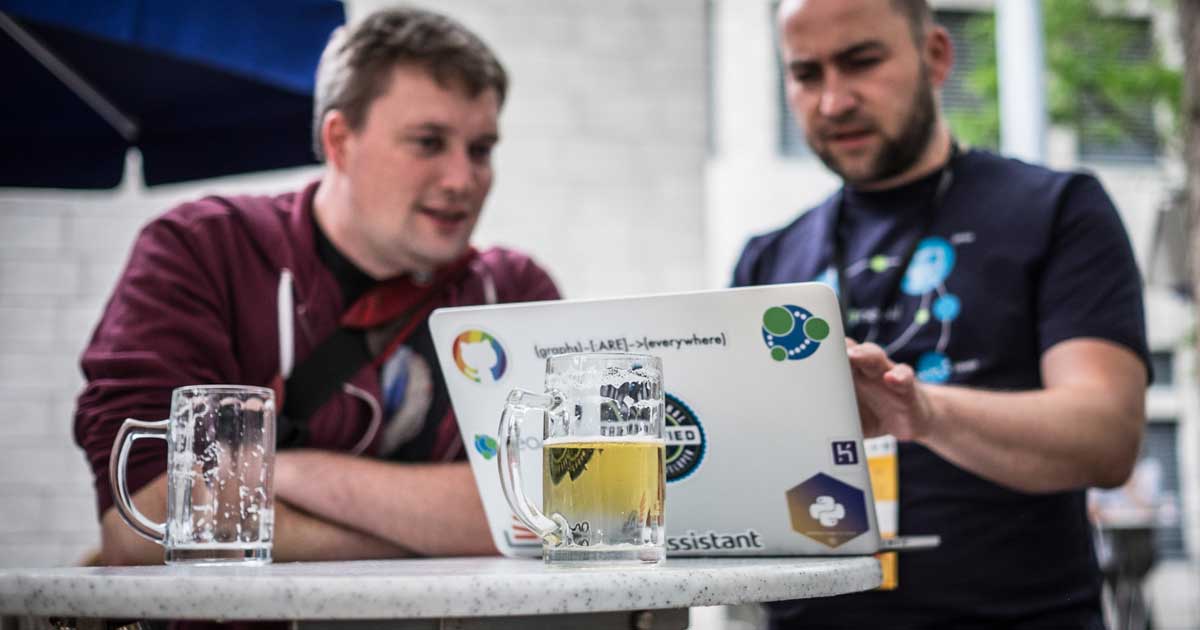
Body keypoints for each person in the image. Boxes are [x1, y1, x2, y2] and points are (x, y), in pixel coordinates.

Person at [74, 6, 559, 565]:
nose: (462, 179)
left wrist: (278, 472)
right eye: (428, 142)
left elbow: (558, 506)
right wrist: (443, 532)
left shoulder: (514, 292)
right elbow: (145, 523)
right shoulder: (200, 252)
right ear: (340, 141)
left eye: (481, 150)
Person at [733, 1, 1151, 627]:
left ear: (934, 56)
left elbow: (1107, 437)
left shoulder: (1059, 209)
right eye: (806, 73)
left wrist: (922, 413)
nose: (833, 102)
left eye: (861, 61)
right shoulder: (768, 257)